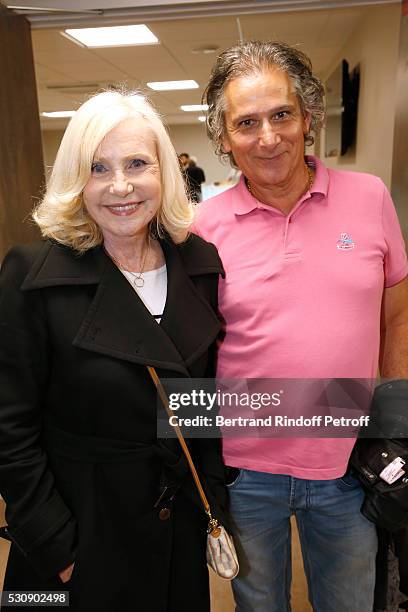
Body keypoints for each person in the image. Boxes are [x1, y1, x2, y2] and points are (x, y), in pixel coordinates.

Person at [194, 41, 408, 612]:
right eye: (246, 123)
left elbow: (397, 310)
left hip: (348, 460)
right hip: (245, 469)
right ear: (224, 138)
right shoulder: (201, 228)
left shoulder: (369, 197)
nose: (268, 137)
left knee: (350, 603)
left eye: (281, 114)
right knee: (259, 605)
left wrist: (399, 421)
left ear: (307, 117)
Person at [0, 90, 226, 612]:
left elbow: (203, 399)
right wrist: (57, 547)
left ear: (164, 172)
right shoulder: (33, 273)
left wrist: (208, 494)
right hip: (73, 538)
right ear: (76, 180)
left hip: (175, 528)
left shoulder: (198, 263)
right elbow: (9, 429)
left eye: (137, 164)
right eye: (98, 168)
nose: (120, 186)